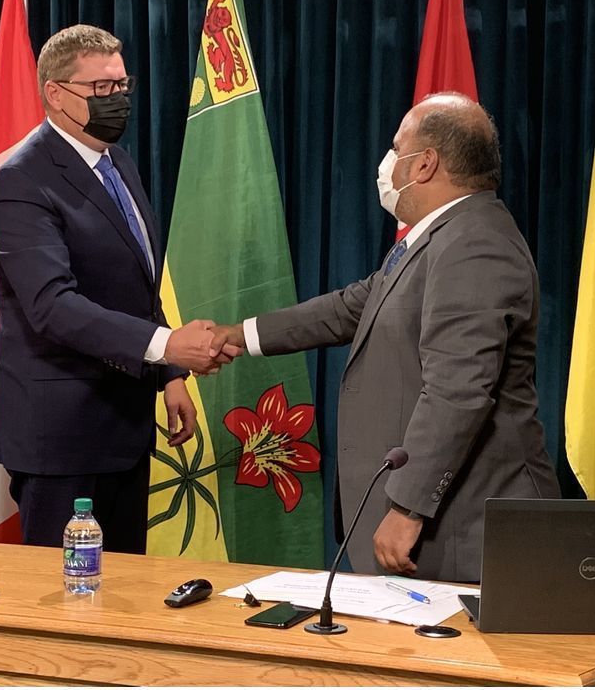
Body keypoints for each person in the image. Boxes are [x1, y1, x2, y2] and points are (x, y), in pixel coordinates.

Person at [209, 93, 560, 582]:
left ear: (426, 164)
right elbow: (352, 306)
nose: (388, 165)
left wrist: (407, 507)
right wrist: (236, 336)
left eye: (397, 149)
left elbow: (457, 391)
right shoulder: (442, 238)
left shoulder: (473, 245)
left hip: (460, 526)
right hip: (441, 524)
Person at [0, 24, 238, 551]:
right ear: (55, 95)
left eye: (122, 86)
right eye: (101, 89)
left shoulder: (116, 161)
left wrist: (168, 376)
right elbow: (52, 306)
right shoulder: (21, 181)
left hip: (122, 428)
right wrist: (168, 345)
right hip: (60, 438)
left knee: (123, 596)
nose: (117, 99)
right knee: (67, 602)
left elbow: (137, 280)